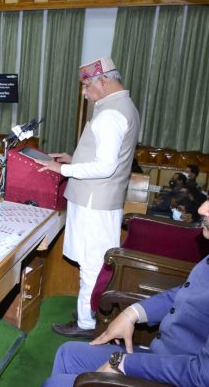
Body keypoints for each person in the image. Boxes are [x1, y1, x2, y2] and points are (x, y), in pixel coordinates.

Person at [30, 155, 209, 387]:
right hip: (172, 364)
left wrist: (124, 363)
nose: (203, 208)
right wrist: (133, 312)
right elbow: (189, 294)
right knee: (68, 353)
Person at [35, 57, 140, 338]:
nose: (84, 93)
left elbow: (106, 166)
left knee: (92, 263)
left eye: (87, 86)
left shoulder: (110, 114)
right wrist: (74, 158)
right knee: (90, 261)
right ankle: (88, 311)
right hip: (97, 199)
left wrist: (63, 168)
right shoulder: (120, 106)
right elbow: (108, 155)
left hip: (96, 202)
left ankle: (86, 322)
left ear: (103, 81)